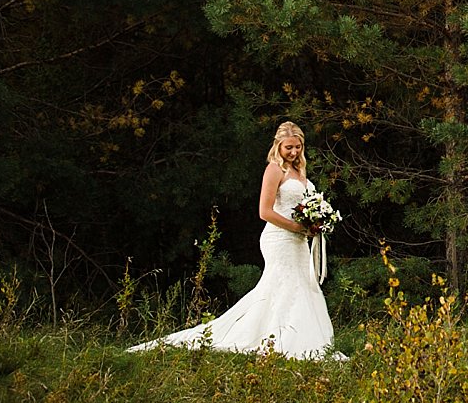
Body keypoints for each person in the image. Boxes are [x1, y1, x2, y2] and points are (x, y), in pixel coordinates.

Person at [128, 121, 346, 360]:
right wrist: (298, 227)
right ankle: (281, 340)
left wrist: (315, 223)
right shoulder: (275, 169)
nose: (294, 152)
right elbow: (265, 211)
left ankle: (302, 338)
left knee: (303, 285)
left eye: (298, 147)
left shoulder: (300, 172)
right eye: (289, 148)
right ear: (278, 146)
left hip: (299, 242)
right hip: (279, 239)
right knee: (286, 286)